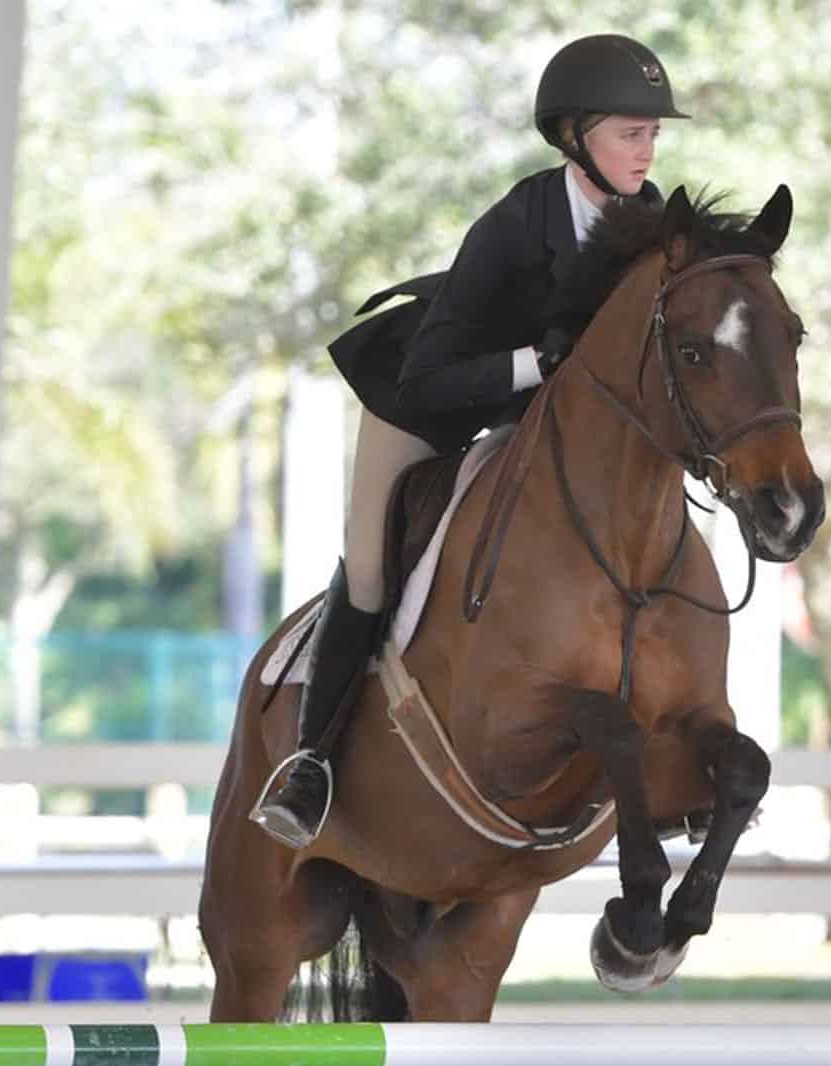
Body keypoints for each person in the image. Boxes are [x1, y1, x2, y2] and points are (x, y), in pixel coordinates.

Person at [253, 34, 691, 848]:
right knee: (372, 567)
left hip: (533, 422)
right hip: (429, 401)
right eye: (631, 133)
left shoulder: (649, 216)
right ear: (574, 137)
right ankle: (310, 764)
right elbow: (429, 378)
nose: (647, 150)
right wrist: (535, 363)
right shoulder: (513, 228)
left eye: (653, 134)